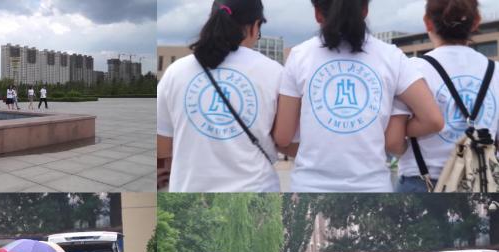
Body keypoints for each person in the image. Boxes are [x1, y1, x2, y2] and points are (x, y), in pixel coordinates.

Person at [272, 0, 444, 192]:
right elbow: (433, 120)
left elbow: (283, 137)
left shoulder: (299, 56)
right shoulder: (391, 57)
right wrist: (387, 133)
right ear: (365, 10)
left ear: (318, 14)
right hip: (373, 188)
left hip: (309, 186)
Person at [157, 0, 282, 192]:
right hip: (256, 188)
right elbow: (284, 139)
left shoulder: (176, 72)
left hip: (190, 190)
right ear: (255, 27)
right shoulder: (275, 73)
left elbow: (162, 147)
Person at [388, 0, 499, 192]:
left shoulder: (412, 69)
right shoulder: (496, 72)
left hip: (422, 182)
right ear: (476, 22)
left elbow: (393, 142)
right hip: (479, 186)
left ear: (427, 22)